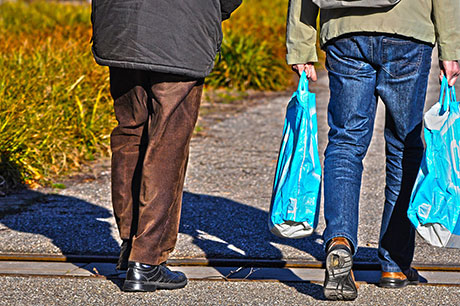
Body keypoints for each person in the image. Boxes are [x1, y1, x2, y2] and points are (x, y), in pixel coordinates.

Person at [286, 0, 460, 300]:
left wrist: (300, 45)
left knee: (345, 143)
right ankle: (395, 264)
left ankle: (339, 242)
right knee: (404, 147)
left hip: (344, 29)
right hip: (408, 30)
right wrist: (451, 49)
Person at [91, 0, 241, 292]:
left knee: (129, 133)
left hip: (120, 26)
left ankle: (130, 245)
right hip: (180, 31)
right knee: (167, 143)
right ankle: (146, 261)